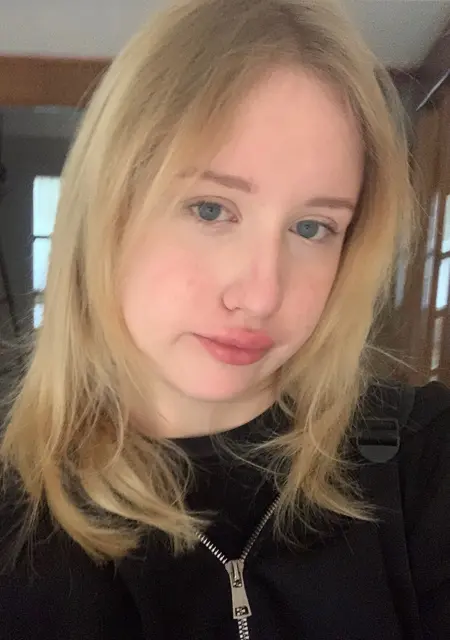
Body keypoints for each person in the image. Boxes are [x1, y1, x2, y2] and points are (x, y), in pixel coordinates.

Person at [0, 0, 449, 638]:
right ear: (107, 210)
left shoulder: (424, 466)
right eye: (211, 209)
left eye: (312, 227)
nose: (261, 295)